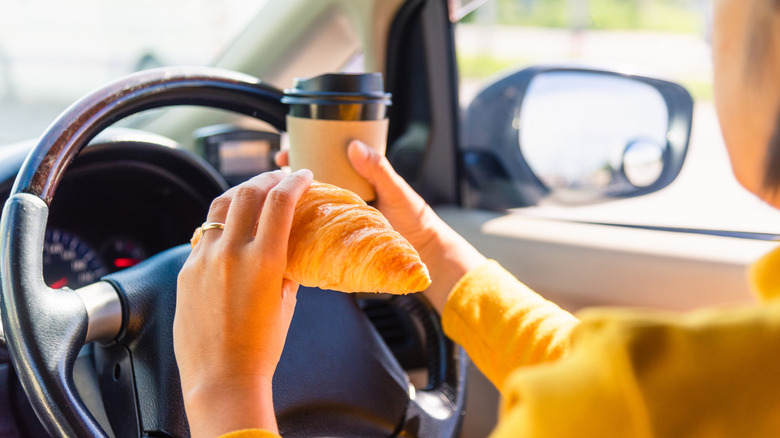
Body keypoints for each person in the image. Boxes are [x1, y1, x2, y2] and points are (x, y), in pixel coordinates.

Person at [173, 0, 780, 436]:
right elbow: (627, 379)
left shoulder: (630, 402)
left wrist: (224, 395)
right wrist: (432, 247)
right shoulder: (707, 382)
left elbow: (629, 395)